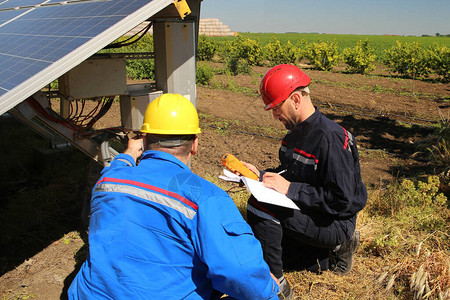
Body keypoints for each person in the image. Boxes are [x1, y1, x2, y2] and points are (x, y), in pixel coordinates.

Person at [68, 93, 280, 299]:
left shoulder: (108, 181)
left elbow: (116, 166)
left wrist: (129, 152)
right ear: (194, 144)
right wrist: (270, 288)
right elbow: (239, 272)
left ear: (144, 139)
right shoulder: (205, 197)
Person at [241, 64, 367, 292]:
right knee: (283, 255)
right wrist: (257, 175)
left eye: (276, 108)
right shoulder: (295, 134)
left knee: (260, 206)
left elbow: (341, 201)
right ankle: (317, 254)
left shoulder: (331, 139)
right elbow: (291, 173)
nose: (274, 116)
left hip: (335, 221)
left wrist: (291, 190)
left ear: (296, 100)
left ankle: (275, 285)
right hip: (312, 212)